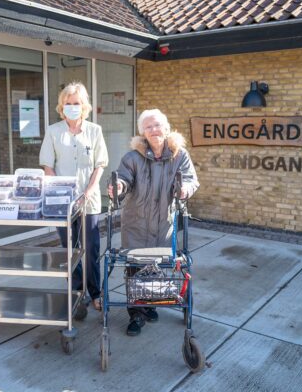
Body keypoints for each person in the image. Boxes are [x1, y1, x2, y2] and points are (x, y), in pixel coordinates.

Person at [108, 108, 199, 336]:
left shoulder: (180, 155)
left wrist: (186, 189)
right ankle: (137, 314)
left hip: (163, 224)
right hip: (136, 223)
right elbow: (124, 179)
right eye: (148, 127)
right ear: (142, 133)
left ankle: (149, 305)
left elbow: (189, 179)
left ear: (166, 128)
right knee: (135, 269)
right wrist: (118, 186)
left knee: (157, 267)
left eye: (157, 125)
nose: (153, 130)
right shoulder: (132, 157)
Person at [39, 82, 108, 311]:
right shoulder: (53, 131)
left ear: (84, 105)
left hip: (89, 200)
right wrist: (63, 192)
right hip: (63, 202)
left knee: (91, 248)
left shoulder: (95, 131)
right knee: (70, 249)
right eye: (68, 103)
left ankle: (96, 292)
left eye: (76, 103)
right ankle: (77, 294)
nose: (72, 107)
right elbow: (48, 166)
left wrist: (87, 191)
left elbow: (100, 164)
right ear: (61, 106)